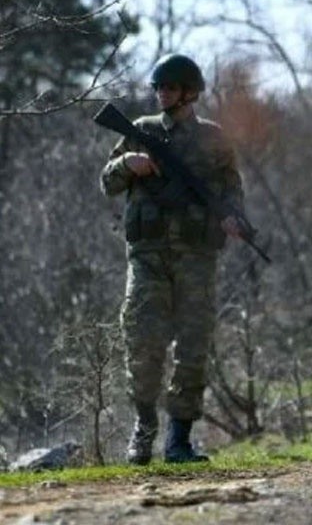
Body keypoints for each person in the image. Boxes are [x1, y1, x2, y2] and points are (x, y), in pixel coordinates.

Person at [100, 54, 244, 465]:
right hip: (147, 258)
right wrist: (127, 163)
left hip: (198, 259)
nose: (162, 93)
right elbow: (107, 182)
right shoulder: (140, 131)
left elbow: (233, 190)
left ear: (190, 92)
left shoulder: (215, 139)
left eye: (170, 87)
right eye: (158, 87)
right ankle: (143, 432)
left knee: (193, 348)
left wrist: (234, 218)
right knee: (143, 343)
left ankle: (178, 440)